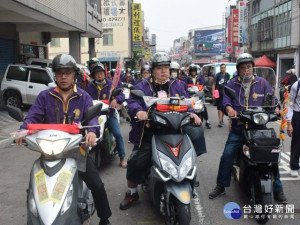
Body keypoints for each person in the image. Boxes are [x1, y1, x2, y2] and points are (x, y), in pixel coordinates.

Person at [16, 54, 112, 225]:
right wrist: (22, 130)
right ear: (55, 74)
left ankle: (104, 218)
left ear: (73, 74)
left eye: (67, 73)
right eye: (60, 73)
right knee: (35, 183)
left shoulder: (83, 97)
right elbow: (32, 117)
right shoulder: (45, 96)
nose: (63, 77)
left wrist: (91, 131)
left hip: (77, 151)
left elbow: (91, 119)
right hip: (49, 152)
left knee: (97, 185)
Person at [119, 52, 207, 210]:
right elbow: (132, 102)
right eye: (160, 68)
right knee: (136, 162)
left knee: (198, 133)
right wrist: (138, 111)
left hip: (176, 127)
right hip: (151, 130)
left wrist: (192, 112)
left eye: (166, 67)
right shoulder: (142, 85)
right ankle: (132, 192)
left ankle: (187, 171)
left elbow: (187, 102)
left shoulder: (178, 84)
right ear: (153, 70)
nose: (164, 71)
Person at [208, 53, 287, 204]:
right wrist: (229, 109)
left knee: (271, 156)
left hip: (259, 128)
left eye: (249, 67)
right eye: (243, 68)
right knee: (227, 155)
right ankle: (221, 185)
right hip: (239, 128)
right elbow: (225, 101)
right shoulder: (232, 84)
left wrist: (276, 108)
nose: (246, 70)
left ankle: (278, 190)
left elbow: (273, 99)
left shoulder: (262, 83)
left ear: (253, 67)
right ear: (238, 69)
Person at [86, 62, 127, 168]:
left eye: (101, 73)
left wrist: (116, 100)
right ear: (93, 75)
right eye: (97, 74)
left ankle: (122, 157)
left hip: (109, 114)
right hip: (94, 116)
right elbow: (85, 99)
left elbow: (121, 94)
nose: (99, 75)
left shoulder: (111, 84)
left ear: (104, 73)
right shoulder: (90, 86)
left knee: (118, 134)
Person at [186, 64, 211, 129]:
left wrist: (205, 89)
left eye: (194, 70)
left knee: (203, 107)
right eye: (192, 71)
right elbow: (184, 87)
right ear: (190, 71)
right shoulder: (187, 78)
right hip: (191, 95)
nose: (193, 72)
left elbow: (203, 85)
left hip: (200, 95)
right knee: (188, 107)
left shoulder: (200, 77)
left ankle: (207, 121)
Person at [287, 71, 300, 177]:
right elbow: (290, 105)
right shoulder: (296, 86)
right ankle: (294, 166)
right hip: (297, 115)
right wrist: (289, 123)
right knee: (297, 142)